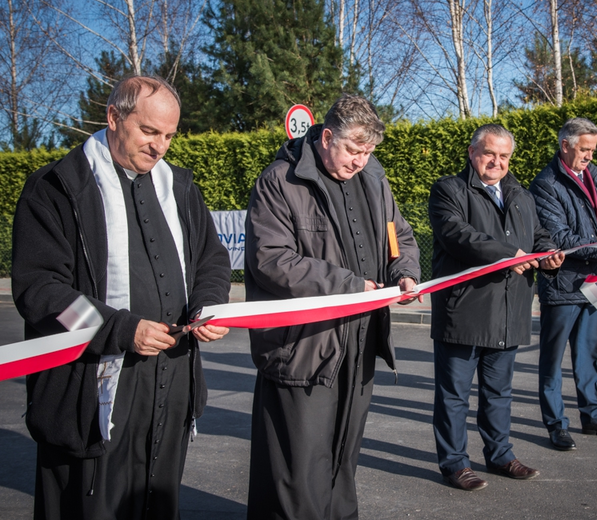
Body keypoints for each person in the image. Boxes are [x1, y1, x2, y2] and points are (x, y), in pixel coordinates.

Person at [12, 75, 232, 520]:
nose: (160, 147)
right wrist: (120, 328)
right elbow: (40, 291)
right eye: (149, 131)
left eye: (170, 135)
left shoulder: (182, 189)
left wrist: (210, 303)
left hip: (169, 394)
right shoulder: (55, 189)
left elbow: (212, 259)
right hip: (89, 395)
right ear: (113, 117)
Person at [244, 94, 421, 519]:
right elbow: (272, 261)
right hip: (302, 348)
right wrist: (351, 285)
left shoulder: (376, 181)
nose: (361, 161)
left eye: (369, 152)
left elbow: (401, 239)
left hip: (359, 346)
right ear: (326, 137)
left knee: (342, 462)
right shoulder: (280, 180)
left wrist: (404, 272)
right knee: (297, 470)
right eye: (354, 150)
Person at [428, 124, 564, 491]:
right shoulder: (449, 190)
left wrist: (549, 252)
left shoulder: (521, 194)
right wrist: (509, 255)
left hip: (510, 309)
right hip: (464, 308)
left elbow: (537, 235)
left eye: (504, 156)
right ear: (472, 153)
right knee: (454, 395)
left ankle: (500, 455)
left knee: (499, 391)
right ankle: (455, 464)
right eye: (490, 154)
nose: (497, 162)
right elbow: (458, 235)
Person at [529, 117, 597, 451]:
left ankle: (593, 416)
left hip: (595, 282)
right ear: (565, 145)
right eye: (584, 149)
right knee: (553, 360)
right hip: (563, 285)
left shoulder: (593, 174)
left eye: (593, 149)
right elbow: (560, 236)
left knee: (588, 356)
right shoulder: (545, 183)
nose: (590, 155)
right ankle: (556, 425)